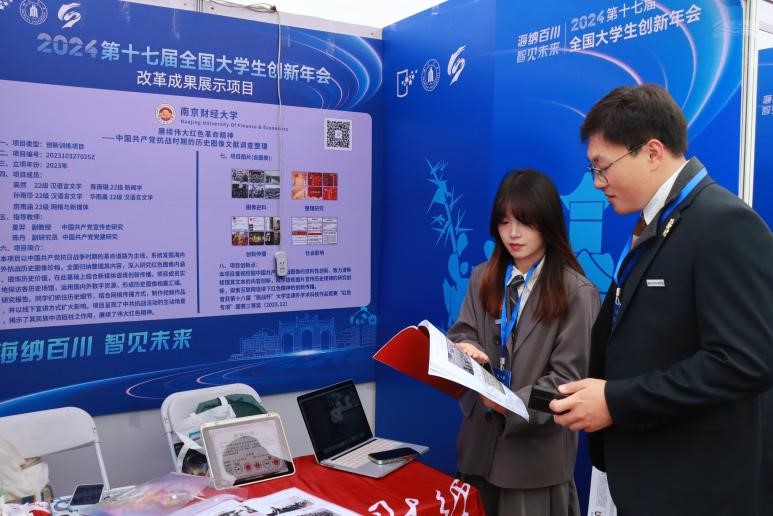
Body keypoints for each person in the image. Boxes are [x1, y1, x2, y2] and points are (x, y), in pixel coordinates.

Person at [551, 84, 773, 516]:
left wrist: (616, 401)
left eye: (603, 167)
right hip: (651, 475)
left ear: (652, 152)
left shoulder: (723, 223)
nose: (597, 183)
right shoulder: (656, 224)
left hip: (696, 488)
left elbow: (743, 361)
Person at [449, 169, 599, 516]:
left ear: (547, 223)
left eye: (525, 222)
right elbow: (462, 331)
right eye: (504, 222)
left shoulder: (577, 293)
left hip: (534, 464)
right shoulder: (483, 277)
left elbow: (568, 384)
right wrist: (466, 347)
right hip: (478, 448)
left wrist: (510, 404)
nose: (513, 234)